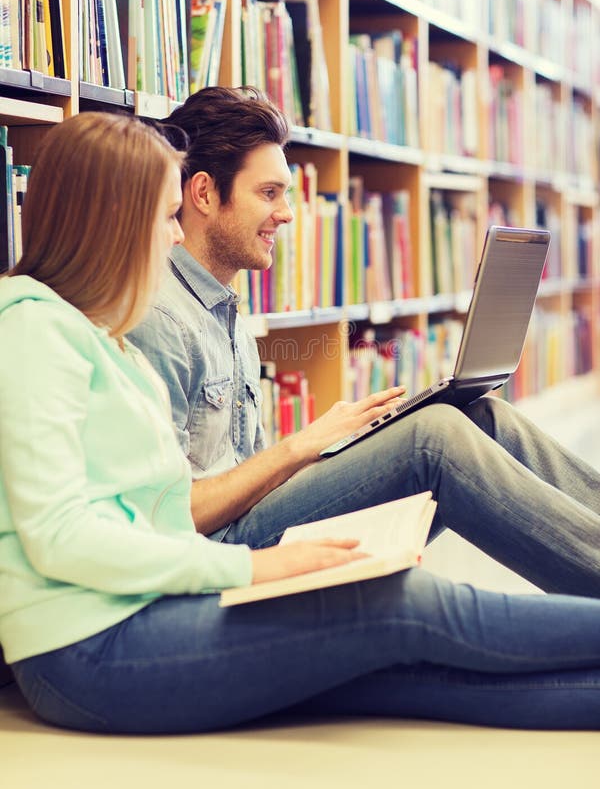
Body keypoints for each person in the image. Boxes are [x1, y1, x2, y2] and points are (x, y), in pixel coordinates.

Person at [3, 111, 600, 734]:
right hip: (90, 646)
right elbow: (65, 535)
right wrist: (255, 567)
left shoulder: (106, 340)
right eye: (163, 216)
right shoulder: (37, 330)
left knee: (410, 671)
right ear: (114, 225)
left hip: (140, 607)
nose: (174, 236)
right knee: (397, 607)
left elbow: (154, 512)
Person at [129, 86, 600, 601]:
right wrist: (300, 447)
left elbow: (245, 471)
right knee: (434, 438)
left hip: (254, 520)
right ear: (203, 194)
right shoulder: (158, 318)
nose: (286, 213)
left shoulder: (227, 308)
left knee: (482, 416)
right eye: (268, 193)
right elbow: (170, 517)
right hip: (224, 556)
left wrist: (342, 451)